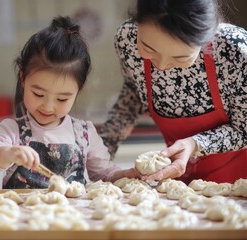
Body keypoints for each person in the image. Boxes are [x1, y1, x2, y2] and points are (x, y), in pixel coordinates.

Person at [0, 16, 139, 189]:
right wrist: (7, 154)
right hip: (24, 214)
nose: (48, 106)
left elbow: (105, 173)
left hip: (71, 215)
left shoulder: (83, 133)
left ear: (78, 90)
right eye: (38, 94)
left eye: (62, 99)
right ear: (23, 78)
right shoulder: (12, 130)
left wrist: (125, 175)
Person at [101, 0, 247, 184]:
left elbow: (245, 129)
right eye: (148, 48)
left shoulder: (234, 51)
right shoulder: (127, 39)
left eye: (180, 57)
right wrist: (100, 156)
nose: (161, 66)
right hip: (181, 180)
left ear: (206, 39)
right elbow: (133, 95)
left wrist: (195, 144)